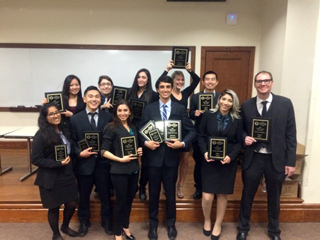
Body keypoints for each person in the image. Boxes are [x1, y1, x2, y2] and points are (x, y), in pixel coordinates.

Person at [236, 71, 297, 240]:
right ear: (255, 84)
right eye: (259, 81)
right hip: (253, 157)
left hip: (275, 159)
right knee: (247, 194)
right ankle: (243, 228)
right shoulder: (246, 105)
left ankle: (274, 230)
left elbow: (291, 134)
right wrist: (244, 138)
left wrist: (290, 162)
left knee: (274, 196)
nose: (262, 84)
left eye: (266, 81)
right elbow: (240, 130)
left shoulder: (285, 104)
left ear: (272, 82)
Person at [139, 75, 196, 240]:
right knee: (154, 193)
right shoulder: (149, 108)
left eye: (167, 87)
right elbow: (141, 129)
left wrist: (183, 144)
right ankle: (153, 225)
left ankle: (171, 224)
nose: (165, 90)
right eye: (162, 87)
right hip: (153, 158)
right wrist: (146, 142)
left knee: (170, 194)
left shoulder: (179, 108)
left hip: (171, 159)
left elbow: (192, 131)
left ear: (172, 89)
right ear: (158, 89)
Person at [198, 89, 242, 240]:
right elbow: (201, 136)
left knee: (222, 195)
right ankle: (207, 220)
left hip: (227, 163)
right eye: (224, 99)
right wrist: (204, 152)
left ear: (233, 103)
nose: (226, 103)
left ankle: (218, 223)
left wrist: (231, 156)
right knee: (207, 197)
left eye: (230, 101)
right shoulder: (208, 115)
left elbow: (238, 142)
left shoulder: (237, 119)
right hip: (209, 161)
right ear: (219, 100)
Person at [70, 86, 113, 237]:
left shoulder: (108, 118)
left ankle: (106, 221)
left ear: (100, 99)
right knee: (84, 195)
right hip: (84, 165)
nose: (94, 99)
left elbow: (111, 139)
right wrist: (78, 153)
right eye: (90, 96)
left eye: (97, 96)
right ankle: (84, 221)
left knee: (105, 195)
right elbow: (72, 141)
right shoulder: (75, 119)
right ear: (84, 99)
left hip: (103, 164)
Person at [31, 102, 78, 240]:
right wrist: (57, 163)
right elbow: (36, 159)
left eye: (57, 112)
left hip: (67, 173)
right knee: (54, 207)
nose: (55, 115)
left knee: (72, 202)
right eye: (51, 114)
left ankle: (65, 226)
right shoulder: (41, 135)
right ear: (45, 117)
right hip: (51, 176)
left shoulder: (65, 129)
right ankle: (56, 234)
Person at [101, 100, 143, 240]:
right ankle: (117, 232)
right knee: (120, 202)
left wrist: (139, 150)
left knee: (129, 201)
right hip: (119, 170)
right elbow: (103, 151)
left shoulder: (133, 127)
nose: (122, 113)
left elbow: (134, 147)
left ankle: (126, 227)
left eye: (125, 110)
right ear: (115, 112)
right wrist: (120, 159)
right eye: (119, 110)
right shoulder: (111, 127)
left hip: (133, 170)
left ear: (130, 112)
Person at [161, 60, 200, 198]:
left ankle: (180, 185)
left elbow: (197, 80)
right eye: (177, 79)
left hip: (184, 132)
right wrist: (167, 69)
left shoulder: (185, 92)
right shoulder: (166, 93)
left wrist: (189, 70)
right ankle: (167, 184)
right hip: (169, 131)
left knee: (184, 160)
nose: (180, 82)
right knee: (169, 160)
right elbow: (159, 83)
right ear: (172, 81)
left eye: (182, 80)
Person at [127, 68, 158, 202]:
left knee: (145, 161)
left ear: (148, 79)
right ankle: (132, 186)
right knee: (131, 157)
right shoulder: (129, 92)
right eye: (139, 77)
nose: (141, 79)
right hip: (131, 128)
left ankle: (142, 187)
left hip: (147, 130)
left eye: (144, 77)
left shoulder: (153, 94)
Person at [189, 70, 220, 199]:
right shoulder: (196, 97)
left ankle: (215, 189)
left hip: (216, 137)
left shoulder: (221, 97)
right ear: (203, 82)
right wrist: (194, 113)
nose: (210, 82)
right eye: (207, 79)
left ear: (217, 82)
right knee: (199, 163)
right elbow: (189, 113)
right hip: (199, 136)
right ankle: (199, 188)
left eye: (213, 79)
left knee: (216, 164)